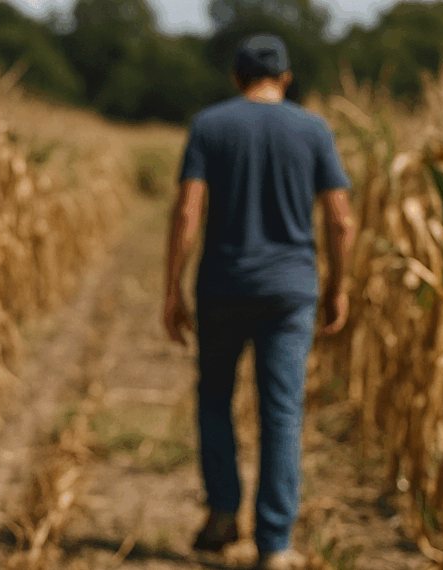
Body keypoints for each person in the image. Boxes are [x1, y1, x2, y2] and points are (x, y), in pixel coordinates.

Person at [163, 33, 356, 570]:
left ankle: (223, 511)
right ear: (286, 78)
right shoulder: (313, 128)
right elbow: (340, 219)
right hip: (290, 294)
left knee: (214, 401)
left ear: (235, 77)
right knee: (282, 413)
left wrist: (170, 289)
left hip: (221, 287)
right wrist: (339, 286)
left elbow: (185, 214)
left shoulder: (210, 125)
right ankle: (274, 546)